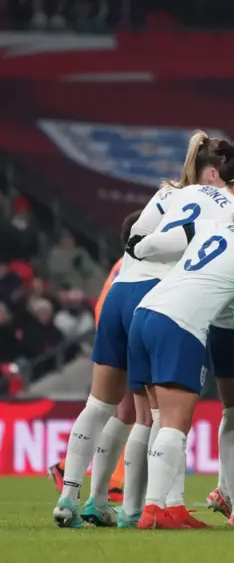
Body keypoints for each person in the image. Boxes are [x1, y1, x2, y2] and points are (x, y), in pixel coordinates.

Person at [53, 132, 229, 529]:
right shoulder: (222, 205)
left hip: (119, 290)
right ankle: (134, 509)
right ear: (217, 173)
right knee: (149, 416)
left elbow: (134, 239)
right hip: (157, 297)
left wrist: (147, 250)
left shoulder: (166, 193)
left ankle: (75, 496)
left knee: (101, 406)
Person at [129, 143, 234, 529]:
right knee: (176, 423)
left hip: (146, 313)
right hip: (180, 324)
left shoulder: (214, 225)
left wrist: (137, 248)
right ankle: (156, 510)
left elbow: (161, 241)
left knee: (160, 418)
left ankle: (163, 506)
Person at [47, 209, 141, 506]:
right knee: (132, 412)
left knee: (121, 413)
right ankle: (110, 486)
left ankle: (86, 480)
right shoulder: (145, 263)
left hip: (110, 325)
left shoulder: (123, 262)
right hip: (124, 329)